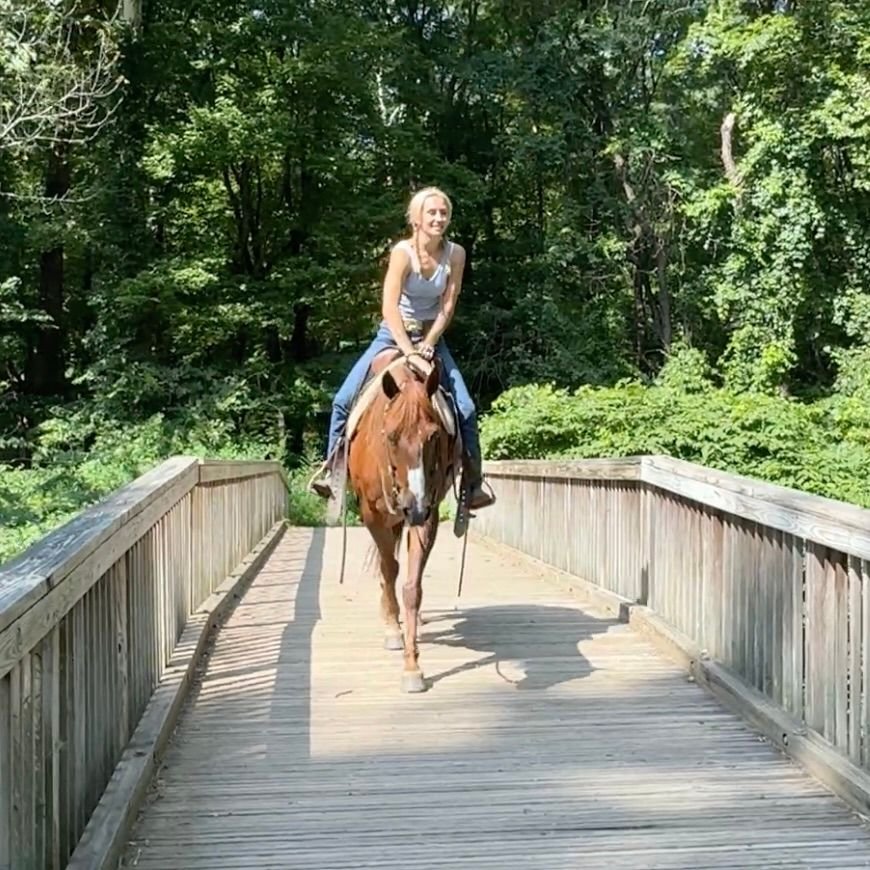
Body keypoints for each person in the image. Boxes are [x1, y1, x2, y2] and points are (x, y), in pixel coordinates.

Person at [309, 186, 495, 511]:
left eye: (443, 212)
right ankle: (333, 471)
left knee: (465, 407)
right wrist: (409, 351)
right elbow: (389, 307)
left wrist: (430, 342)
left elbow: (447, 306)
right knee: (342, 400)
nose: (438, 218)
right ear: (416, 219)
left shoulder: (456, 254)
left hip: (431, 337)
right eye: (431, 212)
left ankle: (473, 482)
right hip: (393, 336)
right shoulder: (402, 253)